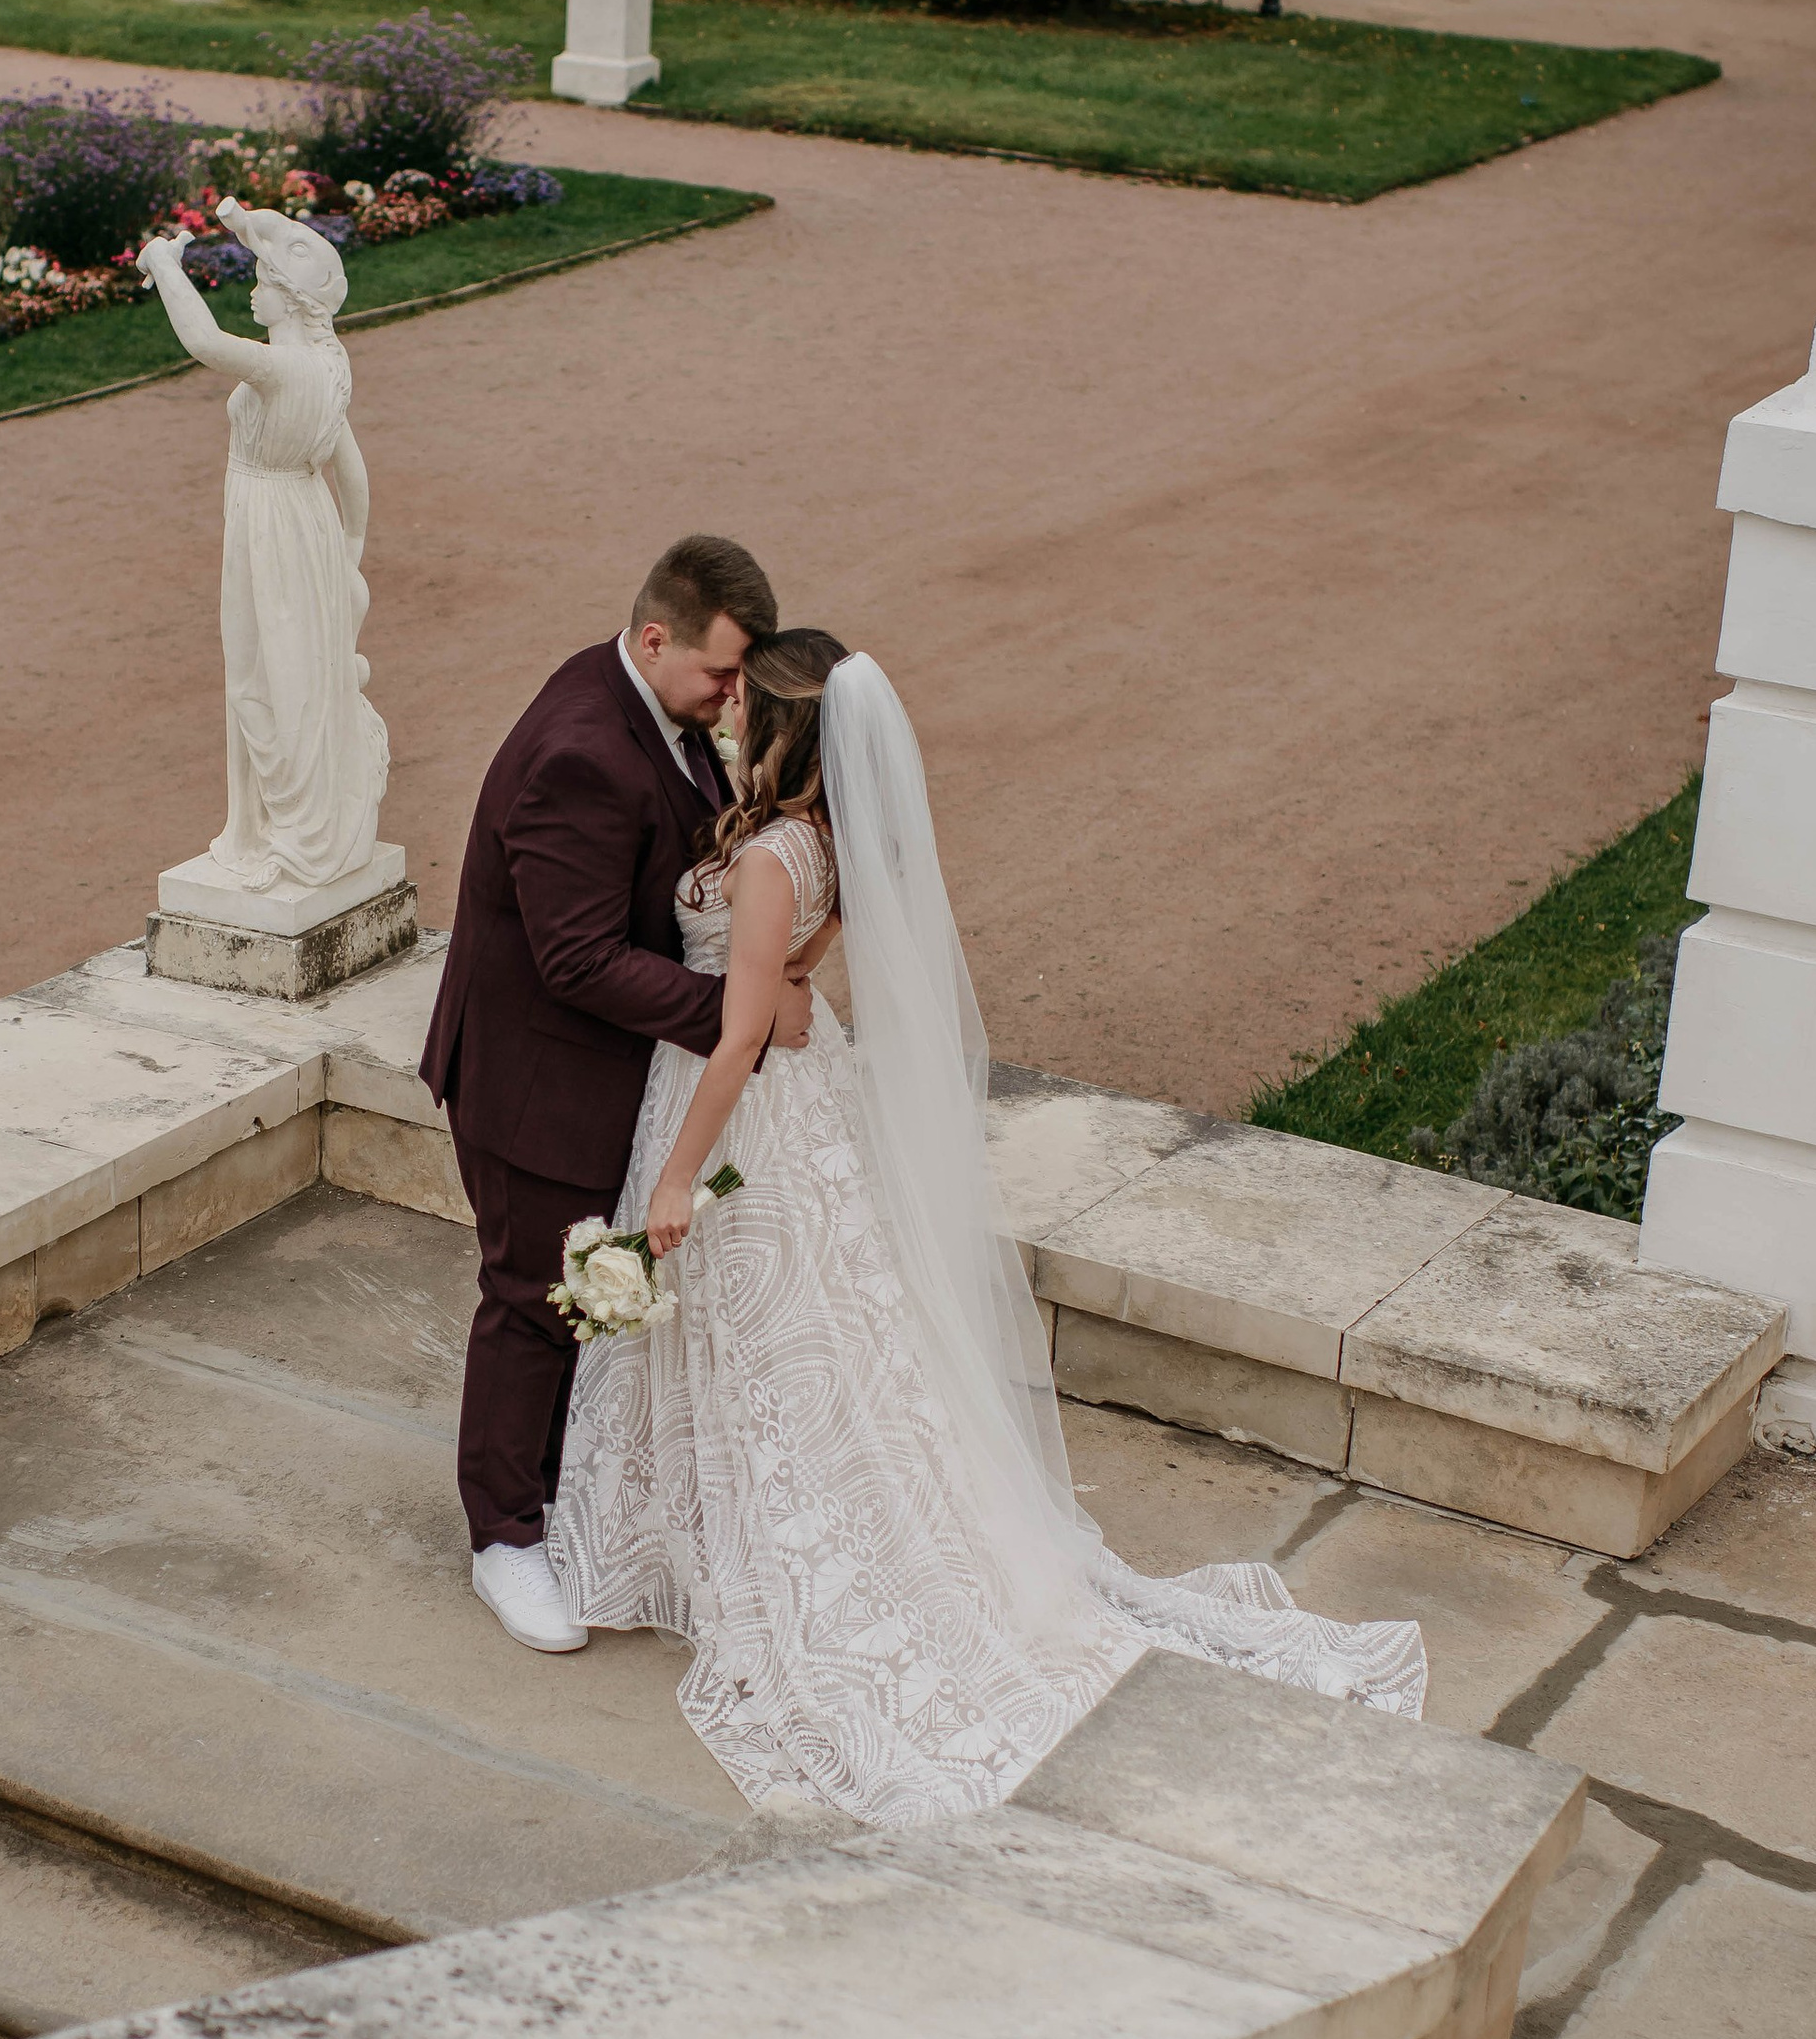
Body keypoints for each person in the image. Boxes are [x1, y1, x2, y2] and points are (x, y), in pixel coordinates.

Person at [547, 633, 1425, 1822]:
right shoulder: (825, 841)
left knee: (769, 1339)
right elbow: (794, 974)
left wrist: (674, 1179)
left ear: (790, 731)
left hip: (745, 1114)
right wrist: (787, 979)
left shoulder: (764, 857)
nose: (730, 712)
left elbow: (740, 1034)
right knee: (820, 1335)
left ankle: (769, 1557)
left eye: (750, 702)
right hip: (805, 1109)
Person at [421, 535, 814, 1651]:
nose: (733, 698)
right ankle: (504, 1539)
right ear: (654, 638)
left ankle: (563, 1497)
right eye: (722, 673)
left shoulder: (649, 701)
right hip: (535, 1084)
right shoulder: (582, 752)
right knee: (532, 1303)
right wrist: (743, 1019)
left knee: (584, 1305)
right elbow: (578, 959)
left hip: (607, 1076)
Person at [136, 203, 386, 895]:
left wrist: (165, 265)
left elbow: (204, 341)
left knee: (267, 676)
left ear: (291, 297)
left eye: (262, 279)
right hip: (305, 519)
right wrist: (349, 548)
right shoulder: (328, 366)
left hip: (271, 525)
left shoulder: (285, 368)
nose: (253, 290)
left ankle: (292, 828)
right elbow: (353, 473)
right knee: (295, 671)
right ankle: (274, 821)